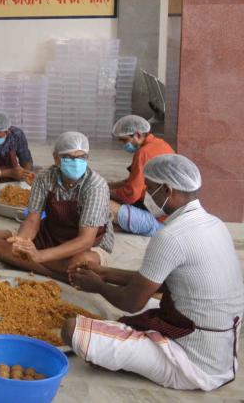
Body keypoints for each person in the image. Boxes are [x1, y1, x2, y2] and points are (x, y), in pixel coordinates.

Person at [64, 155, 243, 392]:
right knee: (149, 304)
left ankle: (142, 356)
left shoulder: (171, 236)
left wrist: (97, 285)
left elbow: (131, 302)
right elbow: (155, 280)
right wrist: (103, 272)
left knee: (72, 329)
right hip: (220, 350)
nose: (145, 194)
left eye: (149, 188)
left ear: (167, 189)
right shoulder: (214, 224)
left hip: (193, 362)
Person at [0, 131, 114, 279]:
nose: (76, 162)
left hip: (88, 246)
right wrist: (23, 241)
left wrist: (40, 256)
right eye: (69, 157)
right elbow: (32, 219)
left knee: (79, 262)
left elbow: (85, 240)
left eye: (81, 157)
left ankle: (36, 266)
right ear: (56, 158)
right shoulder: (44, 178)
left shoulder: (95, 186)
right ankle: (60, 275)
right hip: (51, 235)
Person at [107, 115, 175, 236]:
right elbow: (134, 182)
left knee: (103, 204)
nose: (123, 145)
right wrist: (108, 185)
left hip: (161, 223)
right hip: (169, 217)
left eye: (124, 140)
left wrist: (105, 192)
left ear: (137, 135)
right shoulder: (161, 144)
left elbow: (131, 194)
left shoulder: (144, 153)